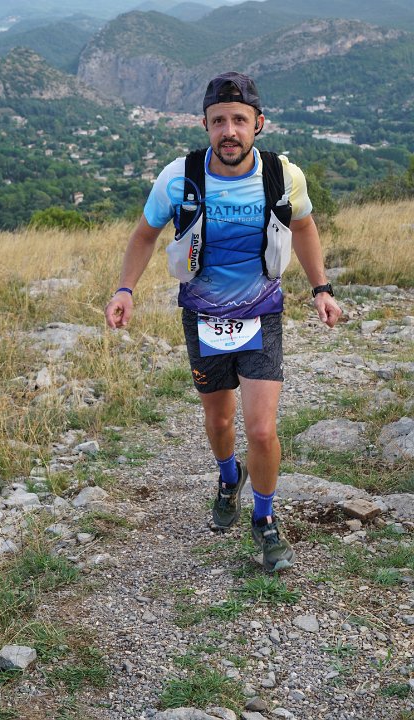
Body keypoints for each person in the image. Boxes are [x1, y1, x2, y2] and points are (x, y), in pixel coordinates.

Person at [105, 71, 342, 573]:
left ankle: (265, 518)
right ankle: (227, 476)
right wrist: (125, 289)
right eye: (218, 121)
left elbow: (303, 227)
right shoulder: (179, 178)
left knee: (261, 429)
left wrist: (321, 288)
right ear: (205, 126)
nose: (228, 131)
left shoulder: (282, 175)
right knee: (218, 422)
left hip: (262, 314)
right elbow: (145, 234)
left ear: (259, 123)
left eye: (239, 119)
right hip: (202, 316)